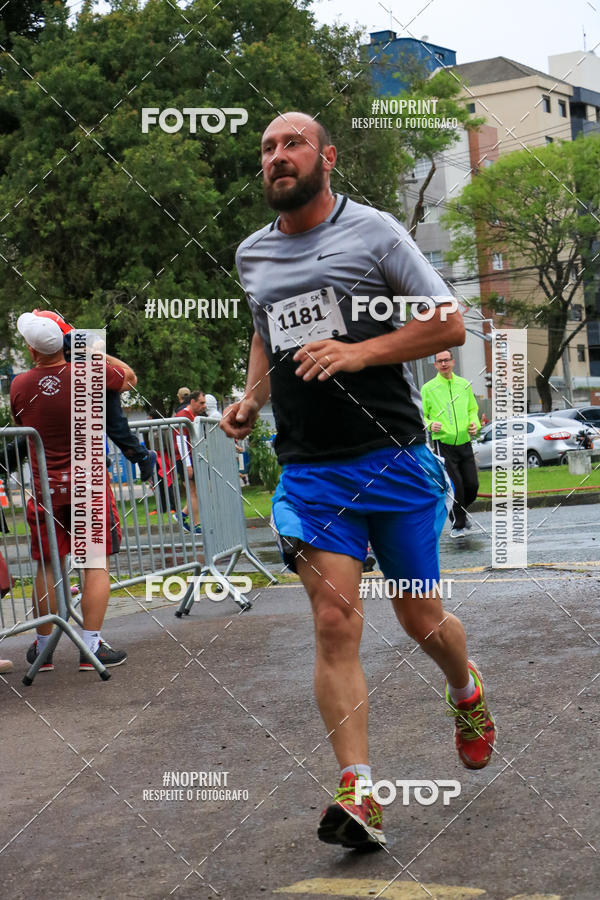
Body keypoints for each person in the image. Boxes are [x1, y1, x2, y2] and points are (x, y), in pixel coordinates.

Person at [221, 111, 496, 850]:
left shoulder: (374, 232)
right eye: (268, 149)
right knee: (336, 621)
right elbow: (263, 327)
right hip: (310, 469)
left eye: (292, 145)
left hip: (395, 458)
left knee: (419, 618)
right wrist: (252, 398)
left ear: (327, 158)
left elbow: (447, 323)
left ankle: (466, 690)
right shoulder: (252, 253)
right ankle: (360, 793)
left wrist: (359, 353)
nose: (278, 157)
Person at [10, 313, 128, 671]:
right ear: (64, 344)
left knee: (47, 564)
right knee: (94, 564)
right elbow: (127, 377)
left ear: (31, 351)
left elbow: (21, 424)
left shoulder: (18, 385)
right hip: (88, 487)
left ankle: (43, 647)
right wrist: (87, 347)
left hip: (46, 490)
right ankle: (91, 647)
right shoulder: (89, 373)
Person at [32, 309, 157, 483]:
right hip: (82, 388)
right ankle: (99, 457)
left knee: (116, 427)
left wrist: (96, 347)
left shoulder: (73, 336)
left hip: (101, 385)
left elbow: (94, 339)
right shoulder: (53, 351)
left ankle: (142, 456)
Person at [421, 351, 481, 538]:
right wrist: (430, 424)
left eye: (447, 360)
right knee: (456, 487)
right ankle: (458, 525)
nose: (444, 363)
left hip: (465, 442)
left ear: (453, 362)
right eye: (440, 361)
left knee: (472, 486)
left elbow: (473, 410)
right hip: (443, 444)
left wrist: (475, 424)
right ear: (435, 365)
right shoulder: (428, 388)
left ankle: (459, 513)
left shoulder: (463, 385)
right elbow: (421, 415)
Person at [173, 390, 206, 533]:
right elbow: (181, 441)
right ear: (192, 402)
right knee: (194, 492)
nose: (204, 406)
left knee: (196, 491)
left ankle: (181, 515)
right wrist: (187, 464)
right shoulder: (183, 416)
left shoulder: (192, 416)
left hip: (189, 458)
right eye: (201, 403)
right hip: (184, 458)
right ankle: (196, 524)